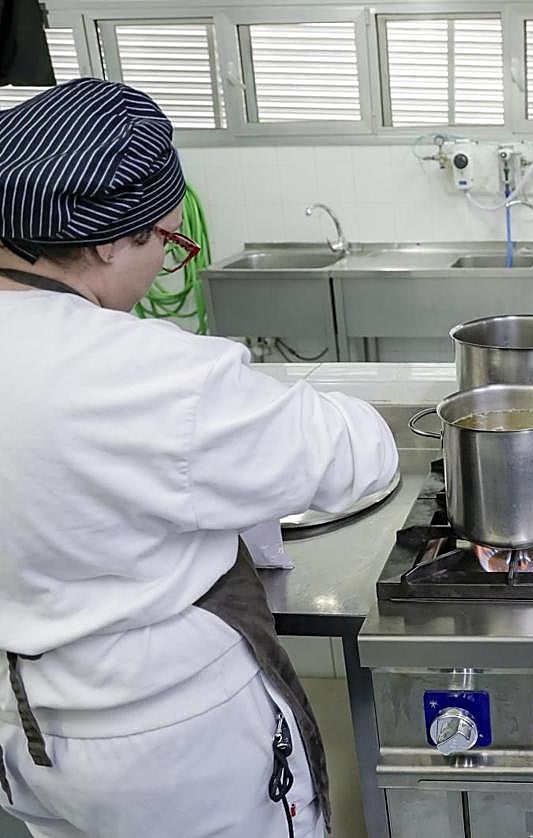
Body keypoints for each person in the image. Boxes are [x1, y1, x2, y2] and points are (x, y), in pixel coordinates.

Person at [0, 79, 398, 837]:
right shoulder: (146, 372)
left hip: (27, 742)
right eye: (167, 241)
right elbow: (360, 455)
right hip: (172, 749)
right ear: (109, 240)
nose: (164, 263)